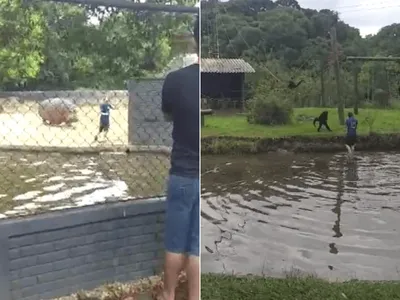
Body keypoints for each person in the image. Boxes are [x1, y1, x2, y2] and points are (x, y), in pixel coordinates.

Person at [159, 15, 200, 300]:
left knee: (175, 242)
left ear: (195, 40)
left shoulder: (175, 80)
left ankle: (169, 294)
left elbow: (166, 114)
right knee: (196, 246)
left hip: (183, 173)